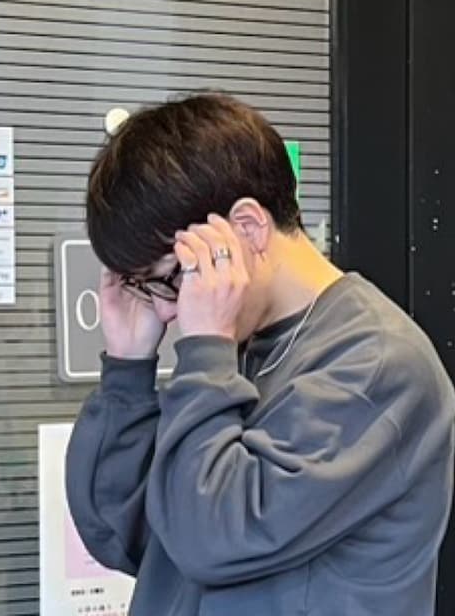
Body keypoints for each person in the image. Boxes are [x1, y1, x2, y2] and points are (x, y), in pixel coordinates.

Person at [65, 93, 455, 616]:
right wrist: (128, 370)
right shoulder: (236, 346)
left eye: (170, 277)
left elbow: (212, 542)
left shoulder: (375, 364)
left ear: (247, 229)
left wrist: (206, 350)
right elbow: (122, 534)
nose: (169, 310)